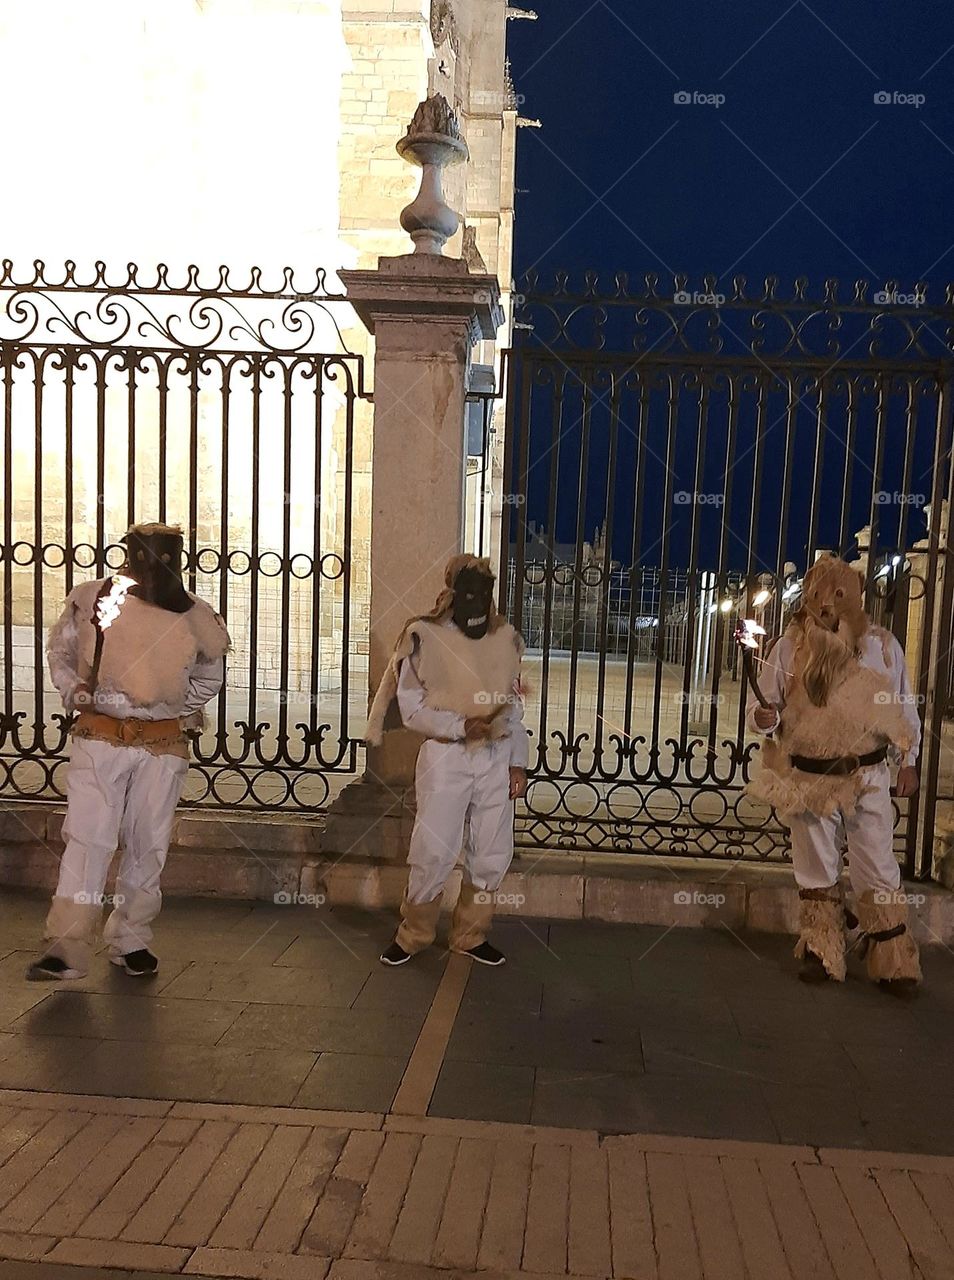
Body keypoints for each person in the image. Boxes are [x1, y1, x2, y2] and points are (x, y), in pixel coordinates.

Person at [28, 523, 230, 981]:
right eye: (148, 556)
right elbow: (61, 653)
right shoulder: (94, 600)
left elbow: (208, 677)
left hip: (162, 744)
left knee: (148, 843)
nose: (155, 567)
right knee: (87, 839)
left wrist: (166, 704)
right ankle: (67, 946)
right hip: (100, 737)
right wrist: (78, 693)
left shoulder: (196, 615)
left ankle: (131, 939)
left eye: (165, 558)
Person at [746, 554, 922, 996]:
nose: (828, 607)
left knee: (878, 863)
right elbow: (763, 707)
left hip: (869, 776)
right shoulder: (789, 647)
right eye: (820, 596)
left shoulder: (883, 646)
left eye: (838, 595)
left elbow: (902, 706)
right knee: (815, 864)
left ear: (857, 595)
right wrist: (765, 718)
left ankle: (891, 955)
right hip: (809, 778)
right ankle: (824, 951)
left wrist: (911, 759)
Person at [367, 554, 529, 966]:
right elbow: (412, 708)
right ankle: (414, 934)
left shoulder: (505, 639)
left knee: (492, 848)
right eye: (469, 590)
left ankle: (471, 936)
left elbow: (512, 709)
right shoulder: (424, 637)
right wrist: (460, 726)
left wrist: (517, 761)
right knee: (433, 848)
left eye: (485, 591)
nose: (477, 600)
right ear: (453, 591)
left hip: (494, 758)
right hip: (445, 758)